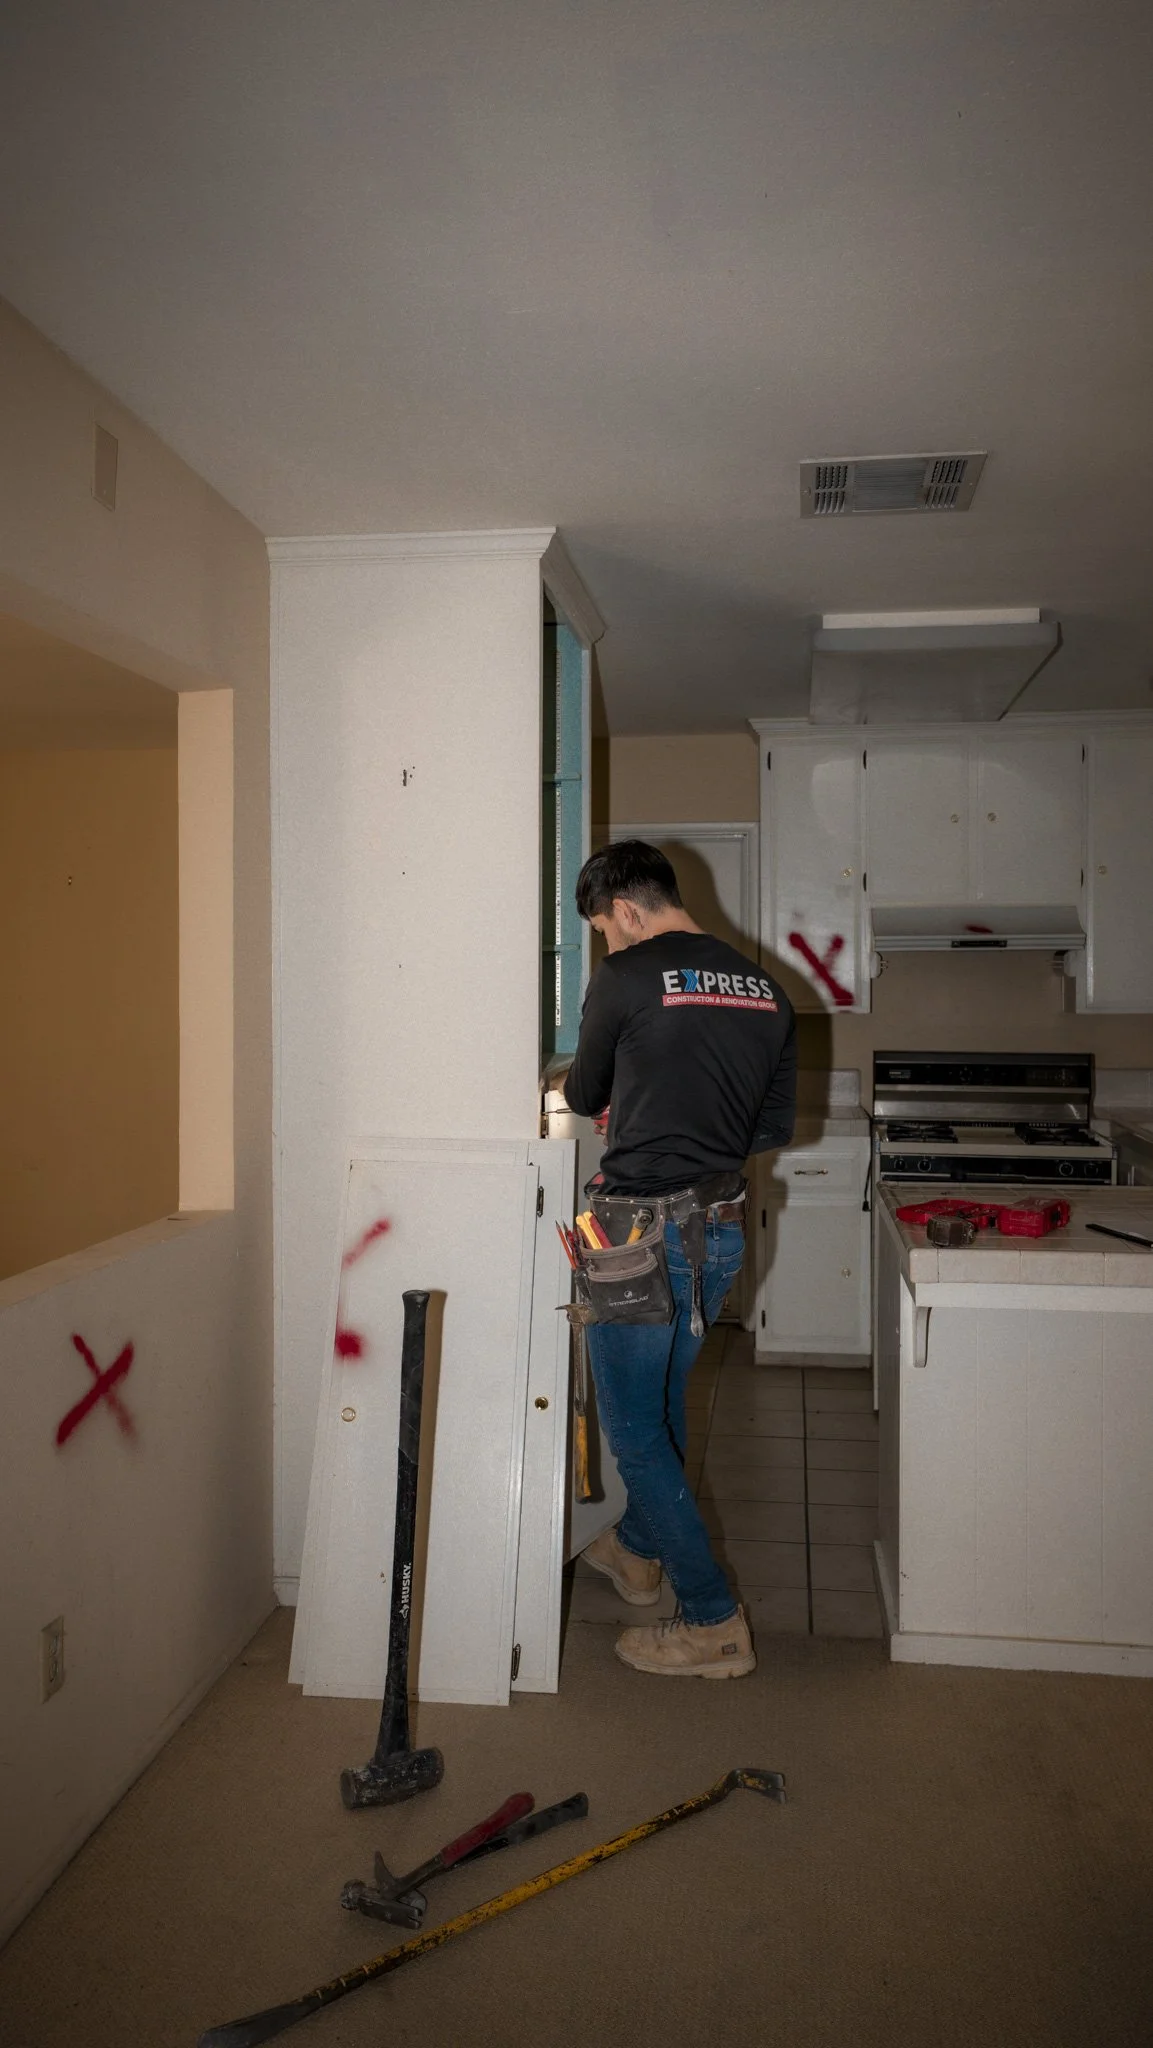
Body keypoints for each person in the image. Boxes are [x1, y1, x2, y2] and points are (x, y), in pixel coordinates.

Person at [561, 839, 796, 1678]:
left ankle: (712, 1621)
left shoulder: (625, 977)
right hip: (719, 1226)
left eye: (603, 932)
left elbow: (584, 1093)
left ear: (624, 910)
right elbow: (769, 1129)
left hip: (631, 1234)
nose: (609, 947)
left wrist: (629, 1107)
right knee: (659, 1408)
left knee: (630, 1432)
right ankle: (634, 1550)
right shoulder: (765, 988)